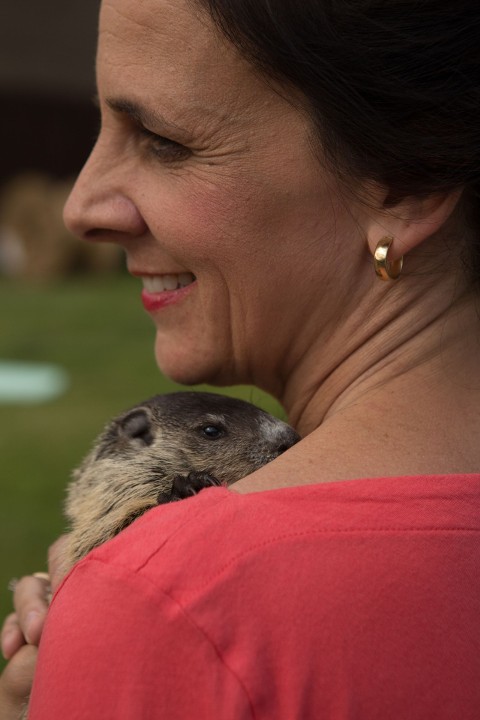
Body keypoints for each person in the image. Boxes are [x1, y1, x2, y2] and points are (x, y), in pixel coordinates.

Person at [2, 0, 480, 716]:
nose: (80, 208)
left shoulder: (174, 609)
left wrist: (112, 634)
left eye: (163, 140)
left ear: (404, 181)